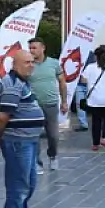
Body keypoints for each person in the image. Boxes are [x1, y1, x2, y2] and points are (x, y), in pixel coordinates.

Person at [0, 48, 45, 208]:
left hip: (28, 139)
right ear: (15, 64)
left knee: (28, 180)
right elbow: (3, 116)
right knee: (19, 180)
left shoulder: (21, 82)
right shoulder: (12, 84)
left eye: (32, 62)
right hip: (17, 141)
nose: (31, 66)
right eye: (26, 62)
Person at [27, 39, 68, 172]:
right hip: (33, 106)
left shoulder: (54, 63)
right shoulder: (28, 64)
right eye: (30, 48)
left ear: (43, 48)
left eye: (34, 48)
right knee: (35, 135)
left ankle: (53, 155)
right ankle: (37, 162)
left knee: (53, 135)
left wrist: (64, 101)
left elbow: (62, 82)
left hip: (51, 104)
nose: (32, 51)